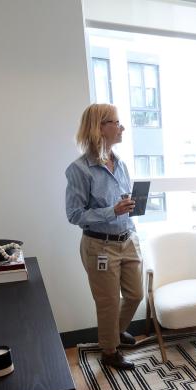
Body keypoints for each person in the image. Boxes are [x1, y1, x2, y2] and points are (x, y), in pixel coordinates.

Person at [65, 104, 142, 370]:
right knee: (108, 302)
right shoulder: (79, 170)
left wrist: (132, 209)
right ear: (99, 128)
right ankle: (110, 351)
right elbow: (74, 214)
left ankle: (114, 332)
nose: (122, 127)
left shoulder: (120, 164)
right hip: (100, 246)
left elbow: (123, 202)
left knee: (135, 295)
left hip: (127, 239)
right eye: (116, 122)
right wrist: (112, 210)